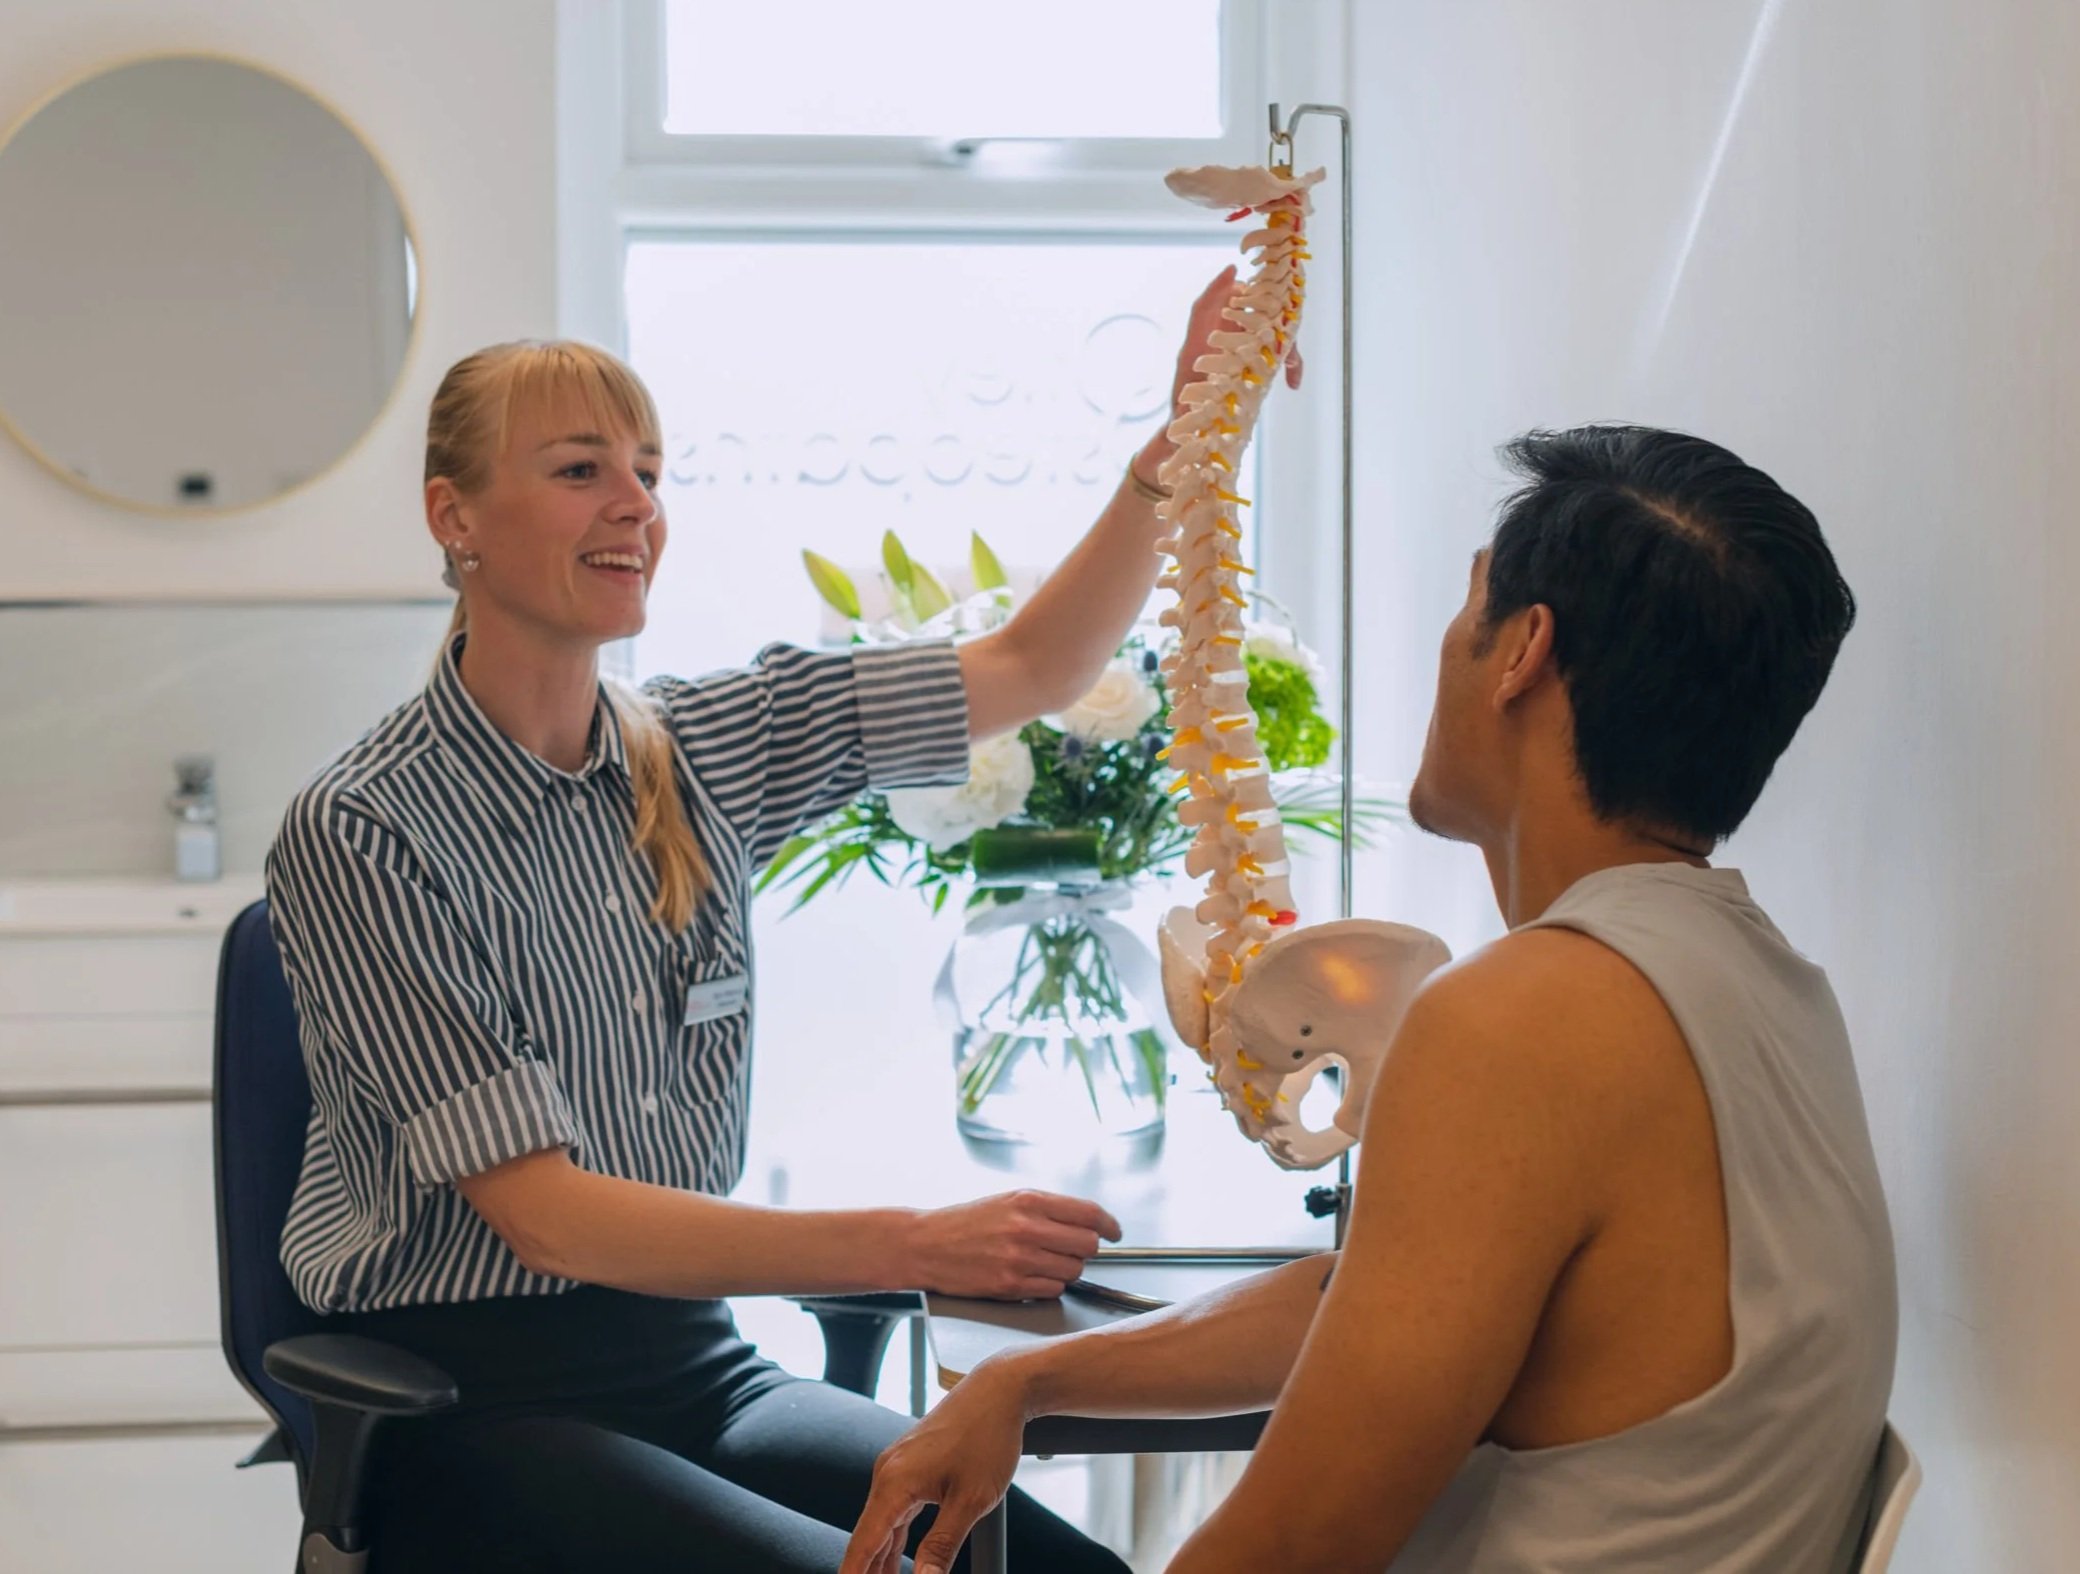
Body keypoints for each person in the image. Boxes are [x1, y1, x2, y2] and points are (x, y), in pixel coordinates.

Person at [264, 265, 1296, 1572]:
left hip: (699, 1370)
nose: (636, 503)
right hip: (473, 1410)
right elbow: (550, 1218)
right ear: (451, 516)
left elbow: (1038, 667)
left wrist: (1182, 444)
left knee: (1055, 1570)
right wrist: (915, 1240)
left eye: (647, 469)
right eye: (582, 469)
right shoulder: (365, 826)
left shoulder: (701, 744)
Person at [845, 425, 1897, 1574]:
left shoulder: (1523, 1015)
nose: (1447, 644)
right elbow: (1372, 1299)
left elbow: (1298, 1542)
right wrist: (1028, 1375)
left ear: (1522, 652)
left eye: (1470, 608)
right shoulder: (1769, 987)